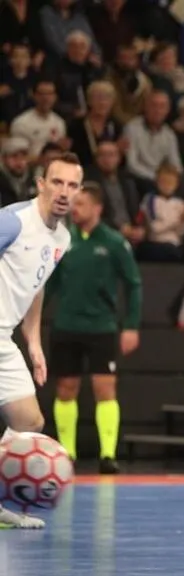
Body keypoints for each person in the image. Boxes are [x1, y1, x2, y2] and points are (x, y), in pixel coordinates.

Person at [0, 152, 82, 530]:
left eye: (72, 185)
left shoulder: (62, 236)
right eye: (57, 182)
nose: (64, 191)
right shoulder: (13, 221)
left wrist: (32, 341)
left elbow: (37, 285)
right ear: (41, 184)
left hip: (4, 336)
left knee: (29, 419)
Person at [48, 182, 142, 475]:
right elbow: (48, 283)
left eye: (81, 204)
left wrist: (131, 326)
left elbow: (133, 284)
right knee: (66, 388)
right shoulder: (62, 240)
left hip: (100, 326)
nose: (75, 209)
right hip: (66, 324)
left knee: (105, 388)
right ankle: (67, 454)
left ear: (97, 208)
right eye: (73, 204)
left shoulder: (114, 242)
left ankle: (107, 454)